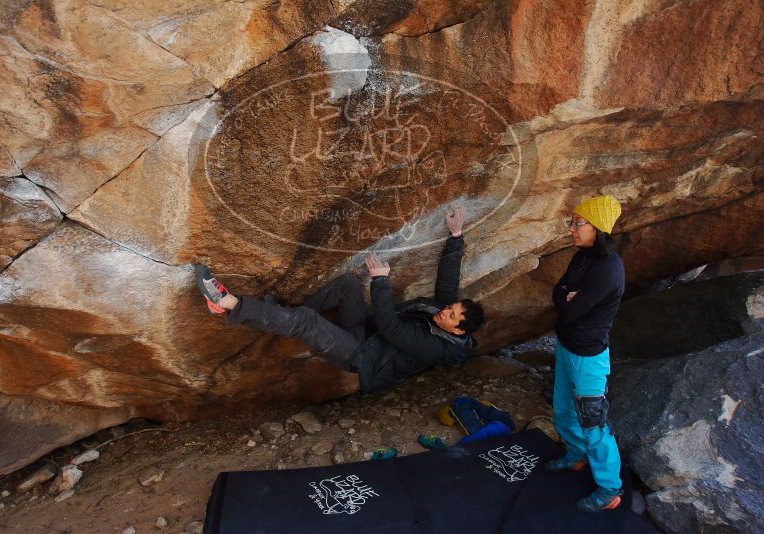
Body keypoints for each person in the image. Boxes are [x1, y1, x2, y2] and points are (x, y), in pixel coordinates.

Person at [194, 207, 485, 392]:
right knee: (346, 284)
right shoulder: (445, 315)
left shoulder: (436, 350)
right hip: (364, 332)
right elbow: (448, 281)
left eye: (451, 315)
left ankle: (228, 304)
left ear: (458, 331)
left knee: (307, 322)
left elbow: (390, 327)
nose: (444, 311)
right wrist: (456, 235)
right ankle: (283, 315)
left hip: (359, 355)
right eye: (450, 307)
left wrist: (380, 281)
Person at [546, 195, 625, 513]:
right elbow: (558, 293)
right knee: (563, 408)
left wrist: (566, 297)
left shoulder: (608, 269)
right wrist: (566, 295)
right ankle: (575, 455)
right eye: (573, 222)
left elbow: (570, 311)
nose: (571, 230)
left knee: (593, 423)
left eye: (578, 224)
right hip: (567, 347)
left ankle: (610, 488)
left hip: (589, 357)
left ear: (599, 228)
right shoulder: (583, 257)